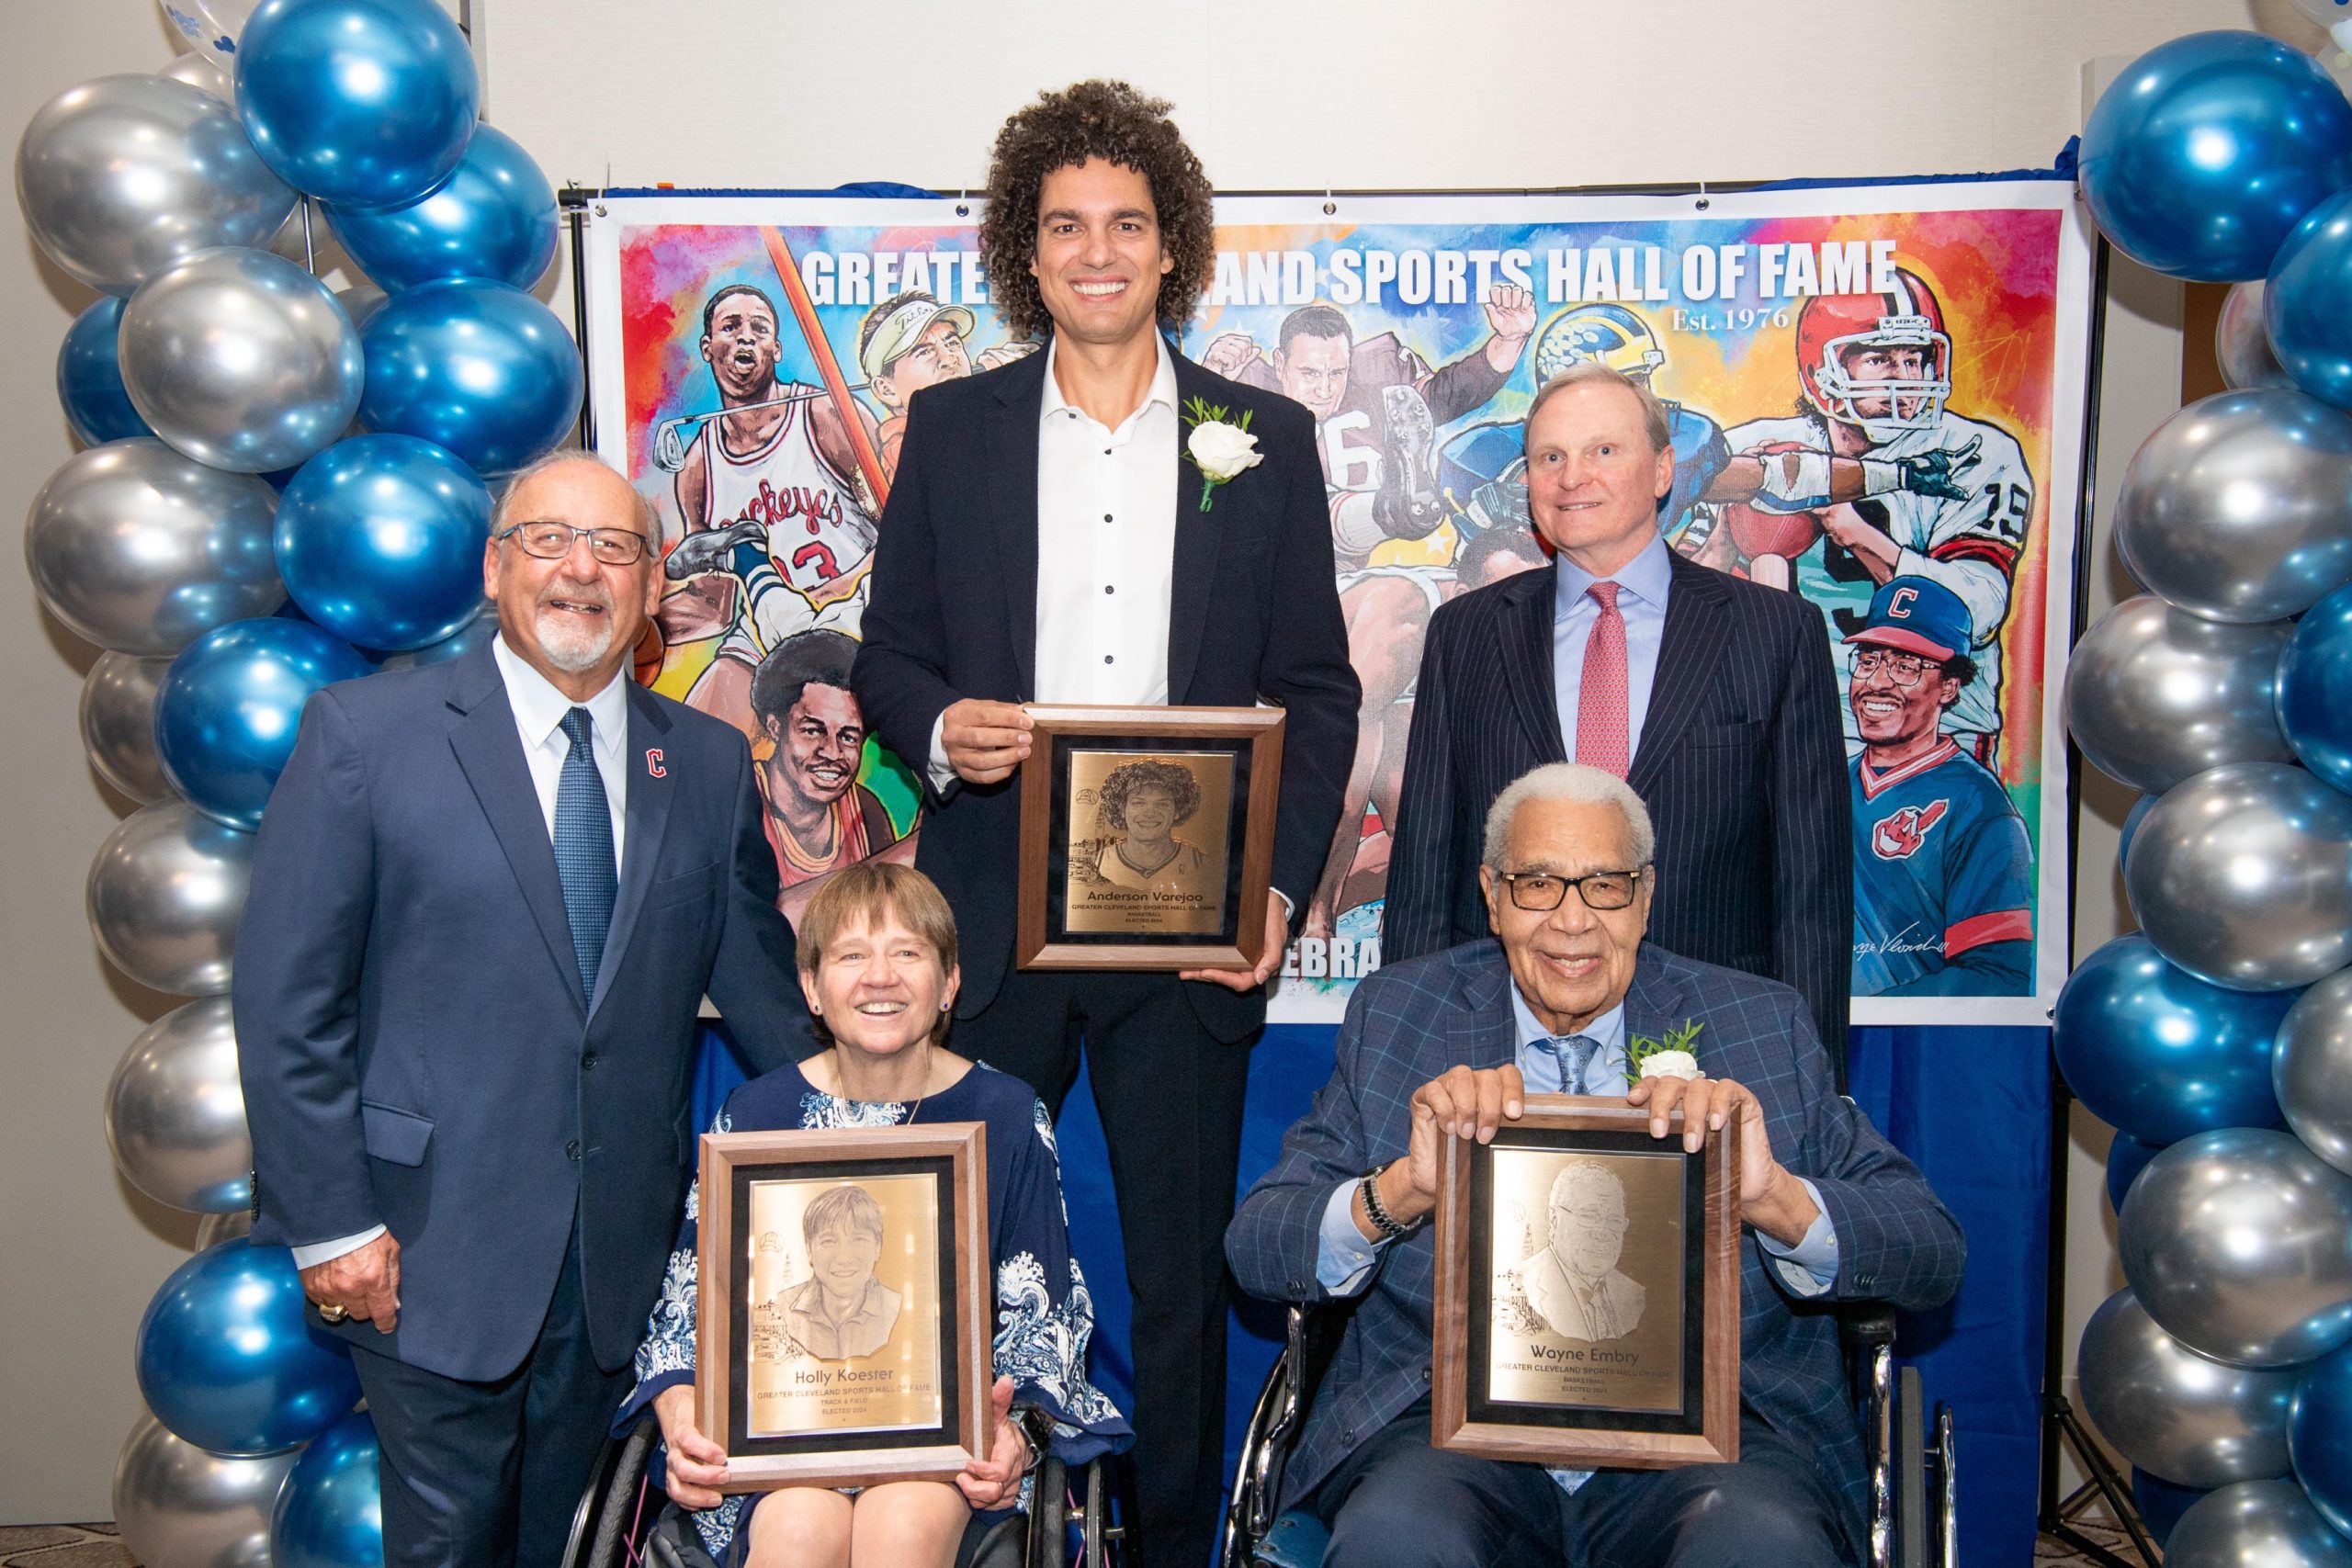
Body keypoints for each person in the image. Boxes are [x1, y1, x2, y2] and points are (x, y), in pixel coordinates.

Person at [852, 80, 1358, 1566]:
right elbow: (889, 656)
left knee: (1180, 1283)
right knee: (963, 1267)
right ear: (1025, 247)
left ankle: (1176, 1547)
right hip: (996, 917)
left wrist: (1271, 891)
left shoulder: (1260, 436)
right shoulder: (951, 429)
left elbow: (1316, 692)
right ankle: (959, 1536)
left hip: (1188, 925)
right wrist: (944, 728)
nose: (1095, 250)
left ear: (1171, 247)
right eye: (1064, 224)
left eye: (1125, 224)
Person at [233, 451, 819, 1567]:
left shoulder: (698, 761)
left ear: (653, 587)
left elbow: (761, 995)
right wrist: (334, 1224)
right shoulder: (365, 738)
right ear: (496, 570)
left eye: (614, 547)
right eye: (548, 541)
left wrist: (888, 1125)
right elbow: (286, 1006)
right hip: (422, 1250)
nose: (580, 571)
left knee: (572, 1545)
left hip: (617, 1261)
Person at [1227, 762, 1965, 1568]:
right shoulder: (1401, 1015)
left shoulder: (1759, 1022)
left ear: (1645, 897)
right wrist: (1400, 1191)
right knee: (1396, 1540)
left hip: (1721, 1445)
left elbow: (1931, 1249)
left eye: (1605, 885)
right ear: (1493, 893)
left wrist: (1779, 1201)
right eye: (1538, 882)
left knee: (1762, 1548)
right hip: (1444, 1437)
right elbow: (1260, 1243)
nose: (1572, 922)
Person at [627, 861, 1130, 1568]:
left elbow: (1042, 1320)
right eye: (851, 955)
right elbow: (687, 1316)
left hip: (943, 1452)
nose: (880, 977)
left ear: (950, 980)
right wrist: (682, 1421)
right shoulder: (755, 1117)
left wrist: (1016, 1433)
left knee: (900, 1523)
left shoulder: (1008, 1116)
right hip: (782, 1447)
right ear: (811, 985)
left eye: (908, 952)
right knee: (798, 1529)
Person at [1384, 361, 1854, 1058]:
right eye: (1550, 456)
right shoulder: (1467, 634)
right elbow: (1425, 872)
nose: (1573, 476)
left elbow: (1811, 893)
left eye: (1604, 450)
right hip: (1497, 1059)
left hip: (1717, 1054)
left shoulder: (1775, 633)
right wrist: (1408, 1068)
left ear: (1664, 468)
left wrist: (1809, 1086)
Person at [1713, 268, 2034, 762]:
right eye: (1880, 359)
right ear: (1823, 371)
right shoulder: (1756, 450)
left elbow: (1978, 614)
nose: (1904, 380)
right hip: (1787, 731)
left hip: (1927, 740)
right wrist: (1722, 535)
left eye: (1915, 359)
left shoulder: (1972, 453)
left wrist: (1858, 534)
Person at [658, 283, 884, 740]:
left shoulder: (825, 414)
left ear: (776, 348)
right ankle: (747, 561)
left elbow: (906, 533)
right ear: (708, 347)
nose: (746, 337)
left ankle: (750, 559)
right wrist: (643, 622)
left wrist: (836, 589)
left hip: (854, 614)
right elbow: (716, 606)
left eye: (759, 328)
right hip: (764, 632)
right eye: (731, 327)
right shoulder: (698, 467)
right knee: (698, 746)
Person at [1844, 576, 2035, 997]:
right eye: (1869, 659)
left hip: (1915, 1043)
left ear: (1949, 686)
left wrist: (1861, 1012)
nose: (1877, 682)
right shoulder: (1828, 784)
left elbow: (1999, 974)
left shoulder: (1980, 807)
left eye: (1905, 666)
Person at [747, 629, 903, 915]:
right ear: (775, 727)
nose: (832, 752)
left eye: (848, 736)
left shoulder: (865, 812)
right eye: (811, 731)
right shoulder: (742, 805)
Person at [857, 289, 977, 483]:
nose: (949, 359)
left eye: (953, 343)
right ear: (886, 389)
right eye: (924, 352)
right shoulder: (906, 448)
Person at [1520, 1163, 1645, 1343]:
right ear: (1553, 1219)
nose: (1602, 1233)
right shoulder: (1522, 1286)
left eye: (1615, 1220)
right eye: (1588, 1216)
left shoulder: (1635, 1295)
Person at [777, 1184, 902, 1360]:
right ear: (809, 1249)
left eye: (858, 1240)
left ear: (878, 1247)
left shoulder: (899, 1308)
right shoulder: (780, 1308)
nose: (844, 1258)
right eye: (828, 1241)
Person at [1091, 758, 1215, 896]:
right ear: (1121, 809)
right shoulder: (1097, 861)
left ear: (1178, 811)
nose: (1150, 813)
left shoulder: (1199, 862)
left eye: (1162, 804)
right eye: (1138, 803)